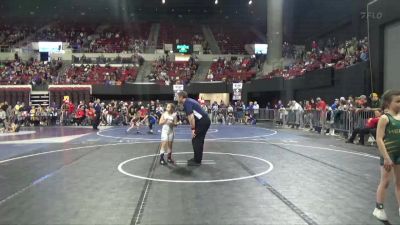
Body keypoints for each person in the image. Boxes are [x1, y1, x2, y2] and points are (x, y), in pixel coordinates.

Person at [372, 90, 400, 221]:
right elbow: (379, 139)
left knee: (399, 183)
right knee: (386, 182)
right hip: (388, 155)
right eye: (398, 101)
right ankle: (379, 208)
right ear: (388, 103)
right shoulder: (384, 118)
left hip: (399, 155)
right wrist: (387, 157)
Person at [177, 91, 211, 166]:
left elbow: (191, 117)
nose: (177, 98)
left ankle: (197, 160)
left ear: (181, 97)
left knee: (196, 140)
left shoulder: (187, 103)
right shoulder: (189, 101)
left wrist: (193, 129)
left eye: (177, 96)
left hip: (202, 122)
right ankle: (197, 159)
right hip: (203, 121)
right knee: (198, 140)